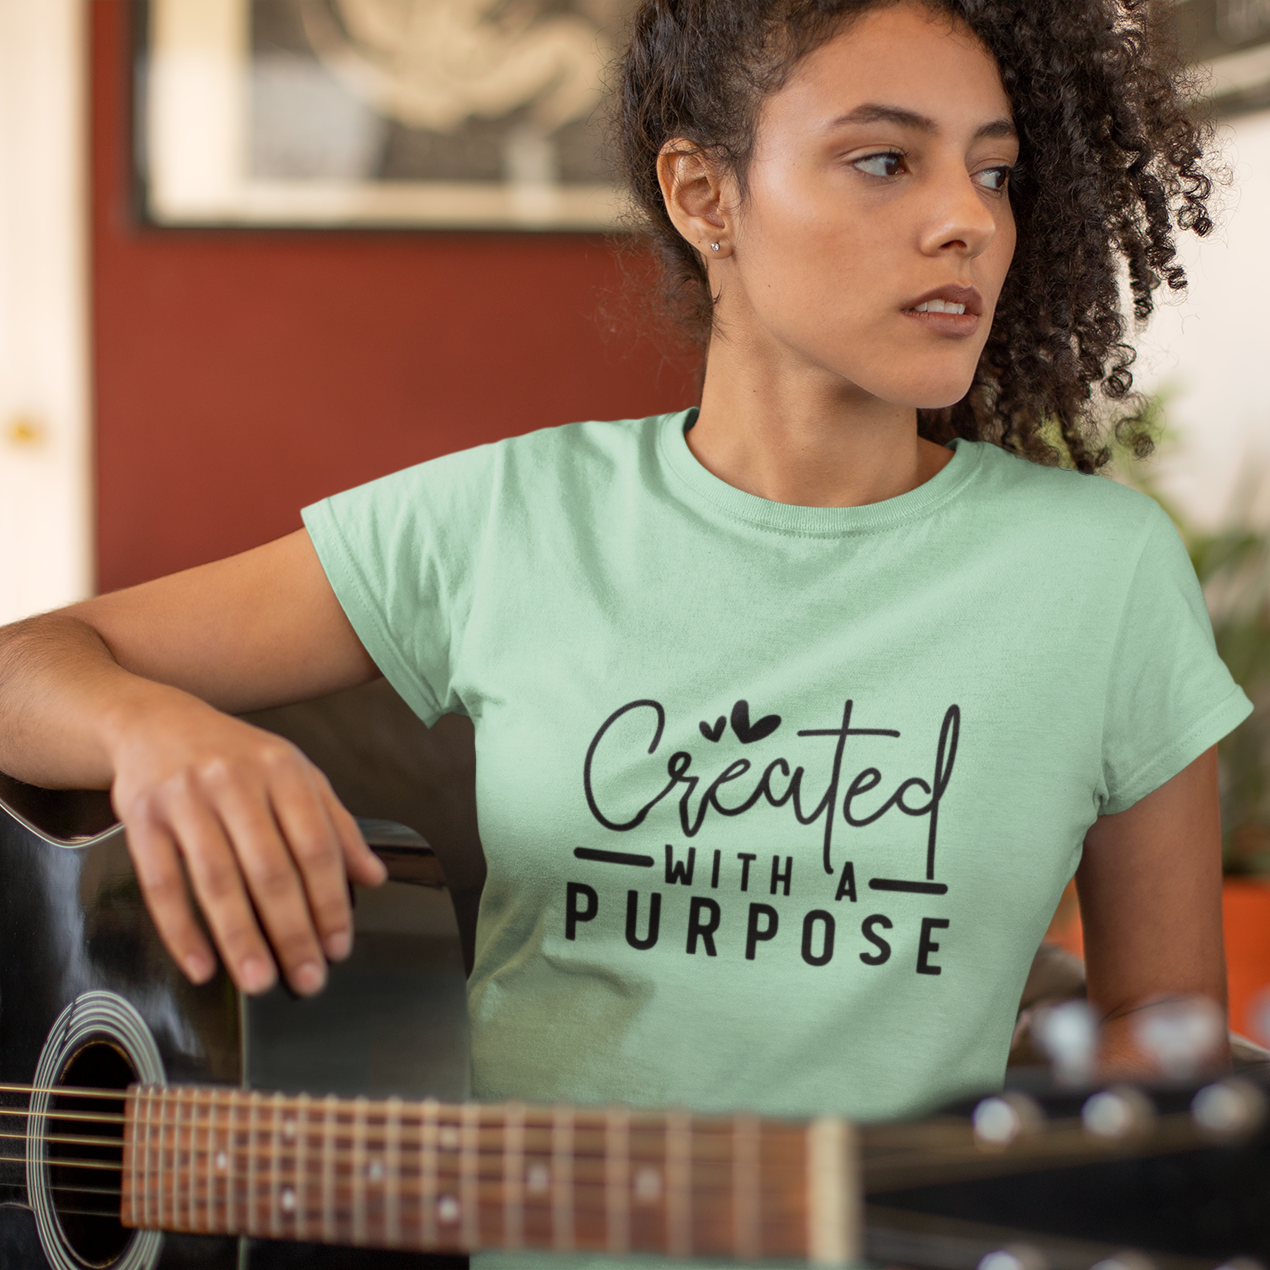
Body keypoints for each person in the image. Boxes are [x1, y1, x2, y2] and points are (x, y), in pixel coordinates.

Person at [0, 0, 1247, 1135]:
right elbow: (27, 666)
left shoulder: (1101, 570)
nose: (968, 218)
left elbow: (1164, 1068)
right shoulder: (504, 517)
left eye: (995, 172)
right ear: (705, 194)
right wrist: (160, 736)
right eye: (883, 159)